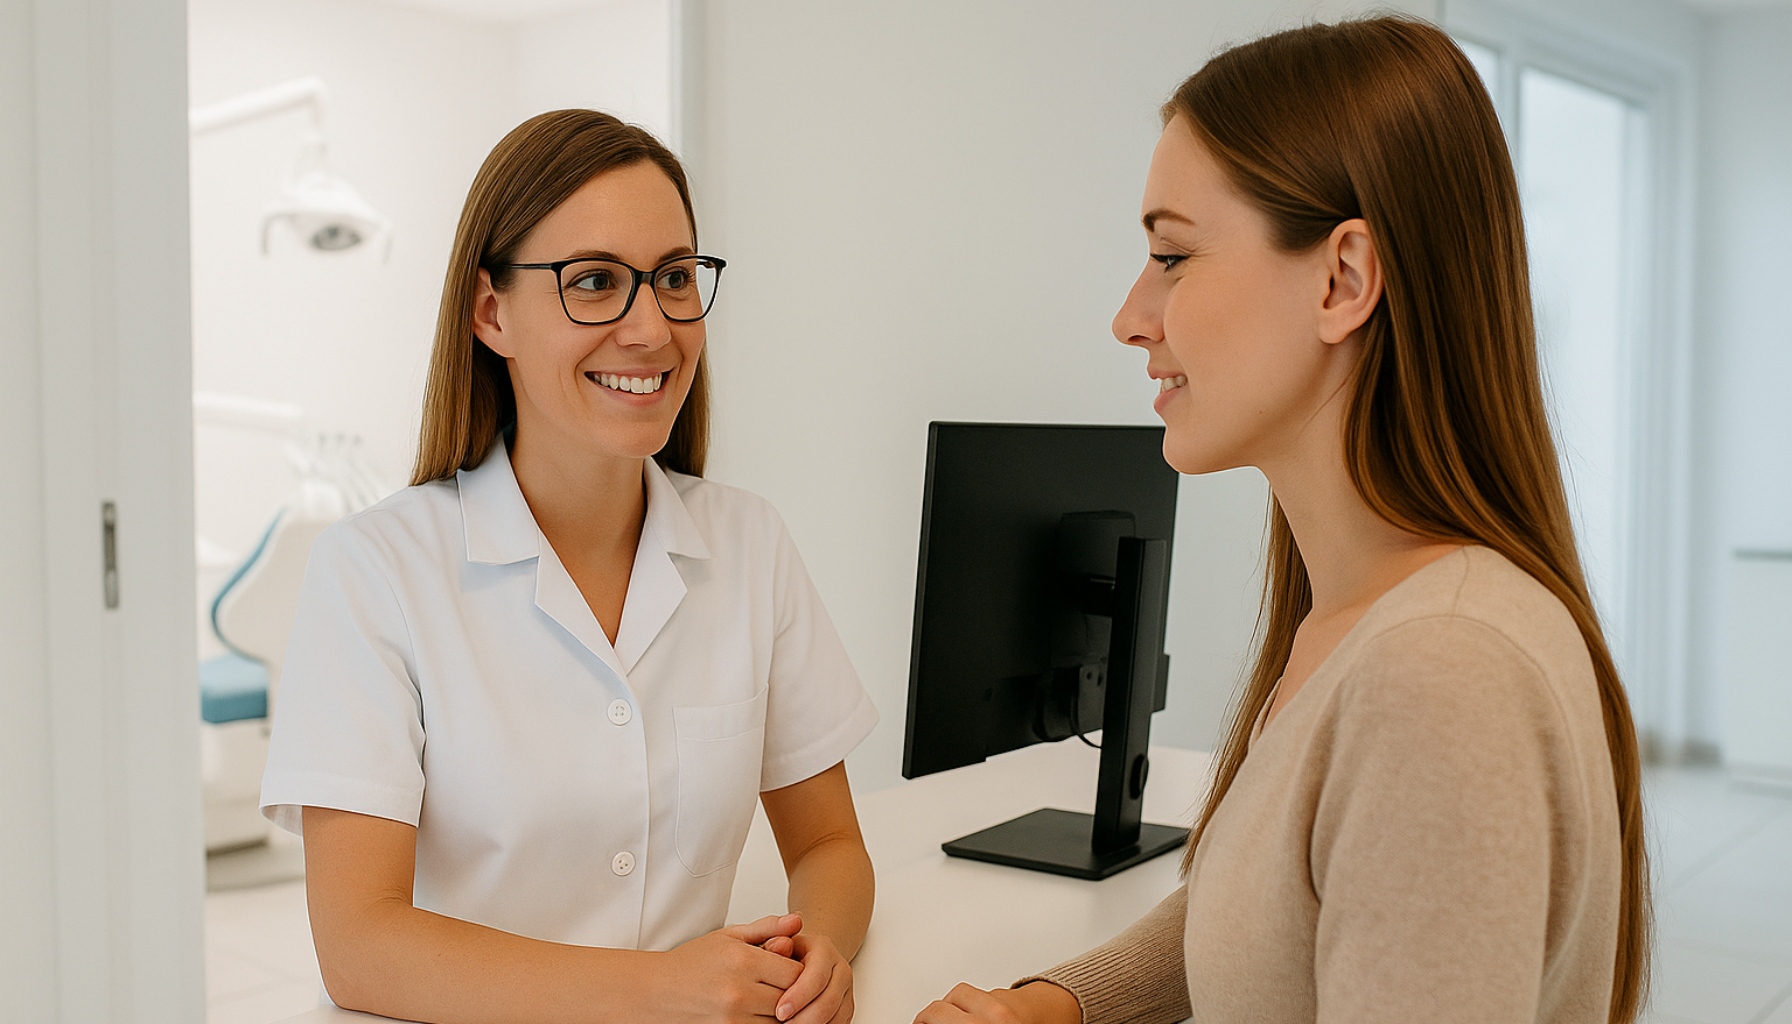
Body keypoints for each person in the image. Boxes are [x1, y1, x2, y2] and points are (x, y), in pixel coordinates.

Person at [914, 16, 1650, 1024]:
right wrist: (1061, 1005)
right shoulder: (1358, 618)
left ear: (1342, 280)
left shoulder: (1438, 673)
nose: (1131, 316)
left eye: (1172, 256)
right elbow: (1275, 903)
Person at [260, 109, 878, 1024]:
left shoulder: (751, 544)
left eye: (674, 277)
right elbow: (359, 946)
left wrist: (820, 952)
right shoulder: (375, 572)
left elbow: (829, 844)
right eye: (595, 282)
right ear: (490, 312)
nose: (652, 328)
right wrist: (662, 989)